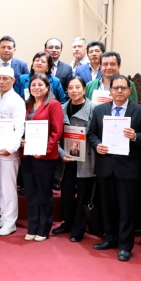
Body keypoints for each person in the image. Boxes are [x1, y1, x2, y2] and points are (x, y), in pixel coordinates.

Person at [87, 74, 141, 262]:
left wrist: (135, 137)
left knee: (126, 209)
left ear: (130, 90)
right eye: (116, 88)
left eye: (123, 88)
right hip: (106, 166)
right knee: (108, 207)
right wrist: (97, 145)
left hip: (128, 168)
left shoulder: (140, 111)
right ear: (110, 90)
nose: (119, 91)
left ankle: (125, 245)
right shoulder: (100, 110)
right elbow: (91, 133)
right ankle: (111, 238)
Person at [52, 76, 97, 242]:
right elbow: (54, 135)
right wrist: (62, 153)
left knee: (83, 195)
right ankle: (67, 223)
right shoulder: (61, 108)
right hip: (67, 159)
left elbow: (96, 135)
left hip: (86, 159)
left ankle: (79, 228)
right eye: (71, 88)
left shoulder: (94, 108)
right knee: (67, 194)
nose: (74, 91)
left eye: (78, 87)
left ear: (84, 89)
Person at [19, 74, 64, 241]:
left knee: (43, 193)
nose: (36, 87)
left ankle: (44, 228)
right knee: (30, 192)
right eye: (33, 85)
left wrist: (45, 149)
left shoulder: (53, 104)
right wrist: (22, 140)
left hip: (45, 157)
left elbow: (56, 131)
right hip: (27, 154)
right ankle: (32, 226)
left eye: (40, 85)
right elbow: (22, 128)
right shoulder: (27, 105)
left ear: (47, 88)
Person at [0, 67, 26, 236]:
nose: (1, 81)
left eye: (5, 78)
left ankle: (11, 223)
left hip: (9, 151)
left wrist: (10, 148)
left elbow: (19, 127)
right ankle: (3, 216)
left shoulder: (17, 101)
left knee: (8, 187)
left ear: (13, 80)